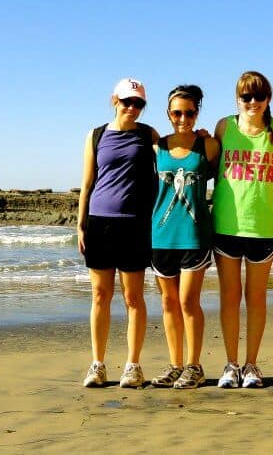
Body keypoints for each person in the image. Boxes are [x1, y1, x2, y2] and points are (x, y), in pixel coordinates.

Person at [78, 78, 159, 388]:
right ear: (114, 100)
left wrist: (199, 137)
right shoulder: (96, 135)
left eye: (138, 103)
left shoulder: (147, 134)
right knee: (100, 295)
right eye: (127, 101)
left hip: (136, 224)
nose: (132, 108)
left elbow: (173, 154)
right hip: (100, 222)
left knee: (133, 298)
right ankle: (97, 365)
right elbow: (87, 183)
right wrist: (80, 223)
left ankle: (132, 365)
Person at [210, 72, 273, 389]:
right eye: (246, 97)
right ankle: (231, 364)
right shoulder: (224, 127)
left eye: (259, 96)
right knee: (230, 298)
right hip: (227, 225)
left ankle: (252, 365)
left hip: (265, 226)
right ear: (237, 99)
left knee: (256, 298)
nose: (252, 102)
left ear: (268, 98)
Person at [148, 85, 221, 390]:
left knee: (188, 301)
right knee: (168, 303)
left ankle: (194, 365)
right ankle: (175, 364)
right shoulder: (157, 147)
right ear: (168, 113)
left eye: (189, 112)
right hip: (161, 236)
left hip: (195, 235)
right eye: (176, 112)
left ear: (197, 113)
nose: (182, 118)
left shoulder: (209, 146)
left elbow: (225, 182)